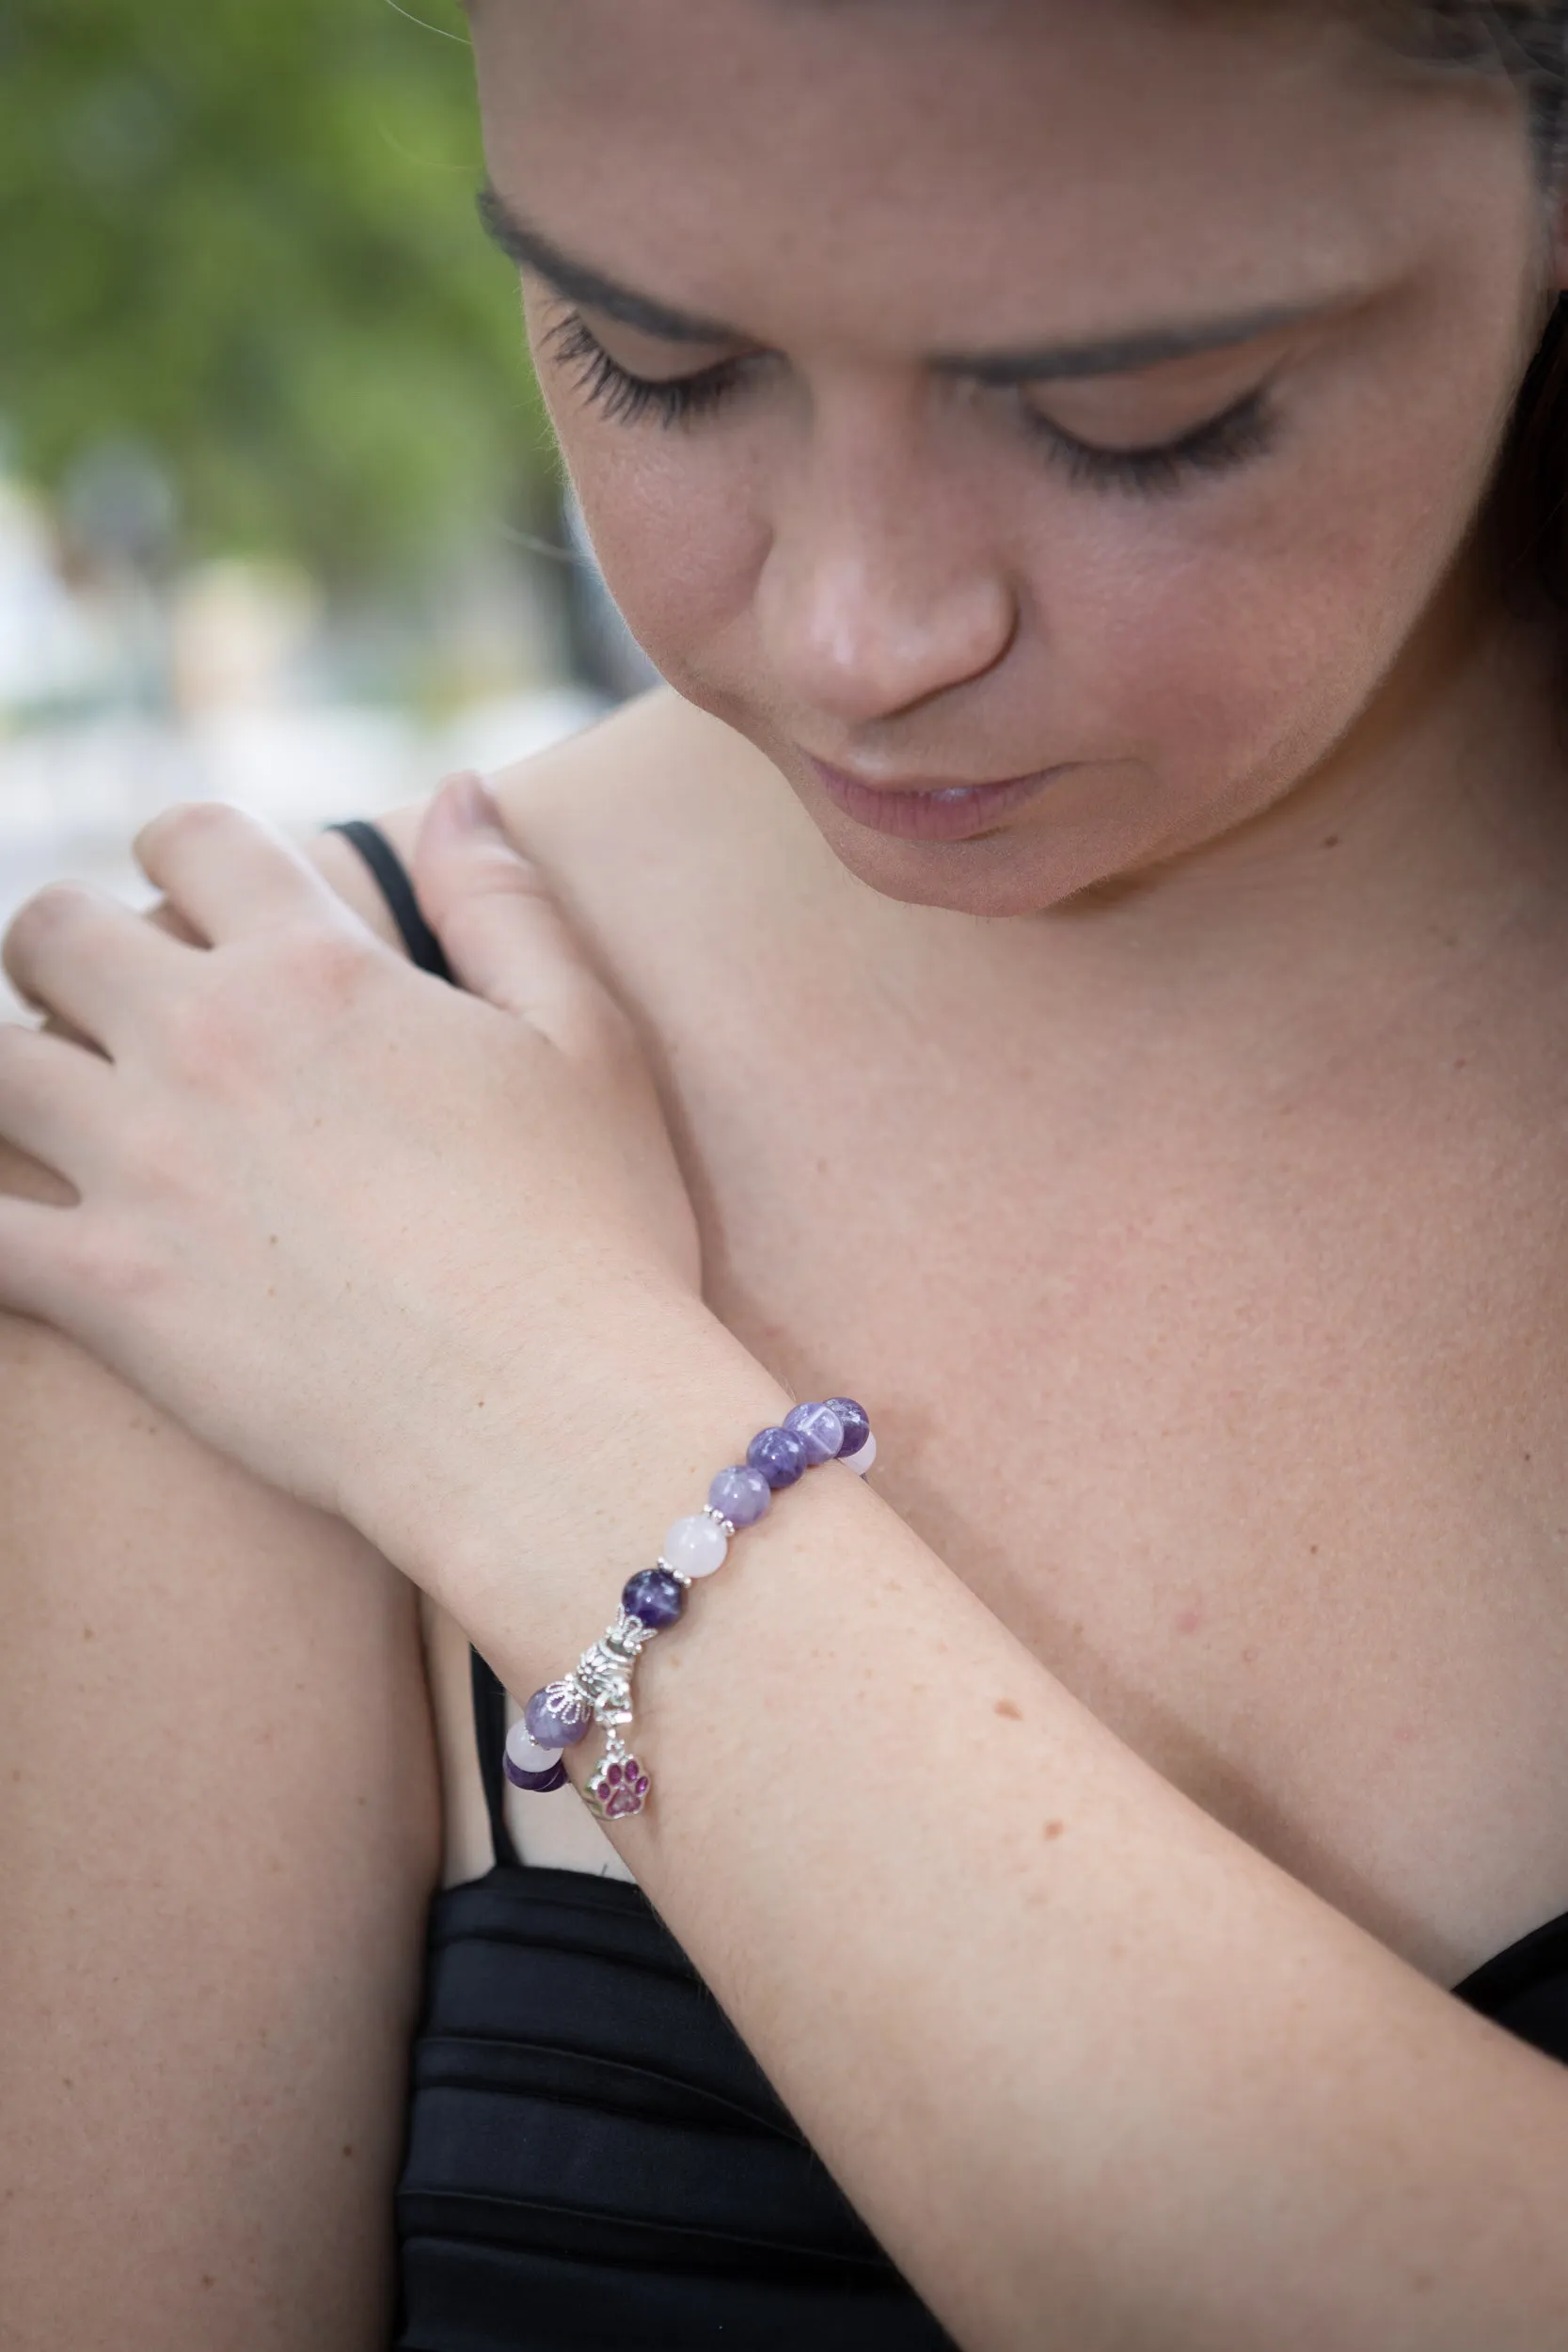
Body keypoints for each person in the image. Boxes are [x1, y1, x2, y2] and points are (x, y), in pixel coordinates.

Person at [7, 1, 1568, 2344]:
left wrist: (539, 1416)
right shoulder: (264, 1115)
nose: (862, 631)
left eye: (1134, 415)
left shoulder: (326, 1239)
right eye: (648, 362)